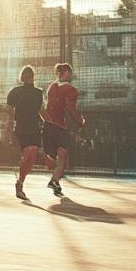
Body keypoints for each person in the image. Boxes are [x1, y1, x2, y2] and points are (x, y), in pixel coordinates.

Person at [42, 62, 85, 198]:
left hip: (49, 126)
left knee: (59, 156)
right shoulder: (71, 89)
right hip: (61, 128)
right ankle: (54, 180)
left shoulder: (51, 87)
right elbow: (71, 108)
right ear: (66, 73)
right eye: (69, 73)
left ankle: (56, 182)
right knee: (63, 157)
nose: (71, 75)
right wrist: (80, 120)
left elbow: (47, 107)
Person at [6, 65, 45, 201]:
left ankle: (20, 181)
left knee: (32, 156)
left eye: (30, 75)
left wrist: (50, 123)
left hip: (34, 128)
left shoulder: (38, 93)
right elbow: (10, 112)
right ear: (23, 77)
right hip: (22, 128)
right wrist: (9, 128)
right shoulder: (15, 92)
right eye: (26, 75)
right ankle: (20, 183)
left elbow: (41, 111)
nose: (28, 77)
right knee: (30, 151)